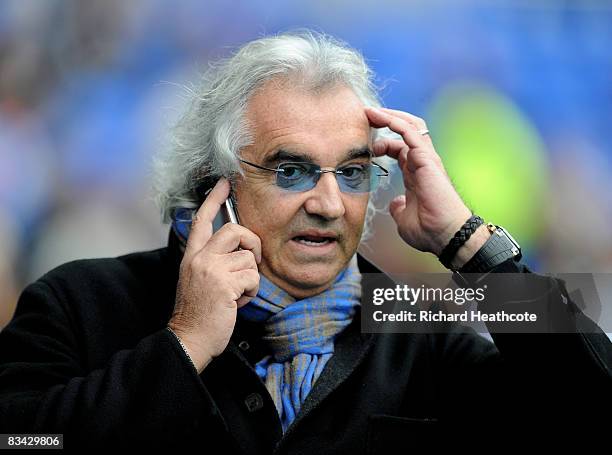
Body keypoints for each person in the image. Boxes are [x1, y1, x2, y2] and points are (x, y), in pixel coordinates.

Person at [0, 31, 609, 452]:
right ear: (216, 183)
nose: (326, 202)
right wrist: (181, 348)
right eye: (290, 170)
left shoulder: (414, 317)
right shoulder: (81, 298)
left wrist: (472, 245)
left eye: (350, 173)